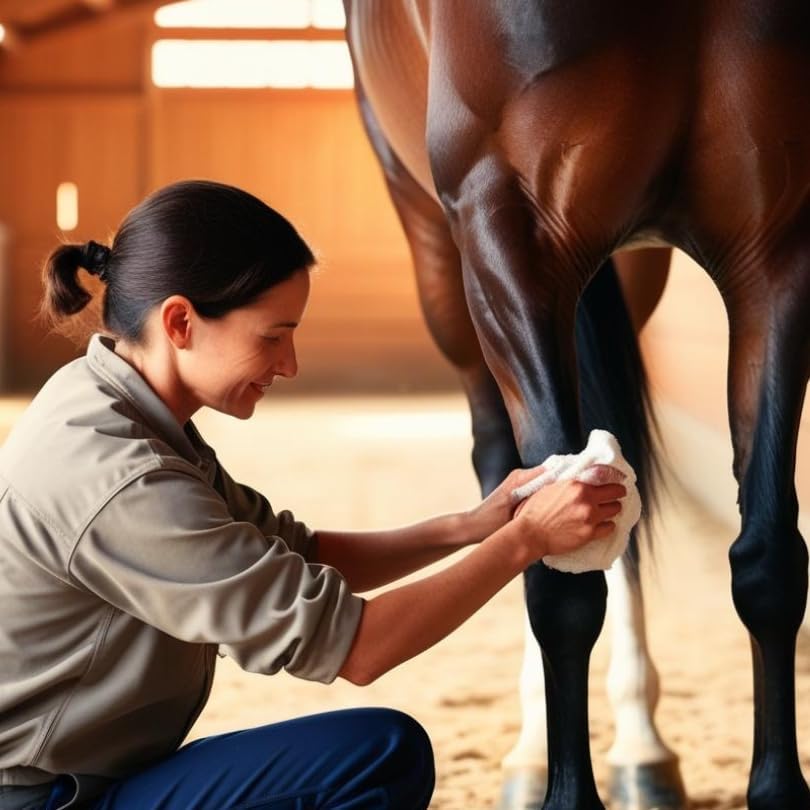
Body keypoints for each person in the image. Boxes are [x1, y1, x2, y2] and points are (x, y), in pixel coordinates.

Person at [0, 180, 626, 810]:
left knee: (382, 753)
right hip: (45, 798)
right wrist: (527, 540)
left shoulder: (109, 400)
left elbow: (298, 552)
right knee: (377, 758)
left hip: (87, 773)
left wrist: (474, 525)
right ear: (181, 322)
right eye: (272, 337)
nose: (290, 363)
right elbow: (360, 647)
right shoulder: (123, 478)